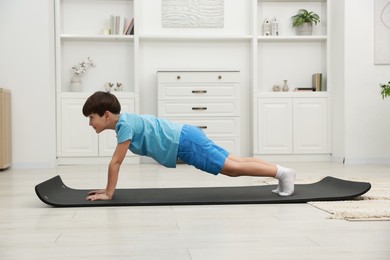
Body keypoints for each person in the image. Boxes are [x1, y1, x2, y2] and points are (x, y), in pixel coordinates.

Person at [82, 91, 296, 201]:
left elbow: (115, 163)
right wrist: (107, 189)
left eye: (92, 117)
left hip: (184, 142)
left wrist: (109, 193)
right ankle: (282, 172)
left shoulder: (125, 126)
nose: (90, 123)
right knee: (235, 162)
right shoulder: (126, 121)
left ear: (106, 115)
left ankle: (283, 174)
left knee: (231, 169)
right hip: (186, 136)